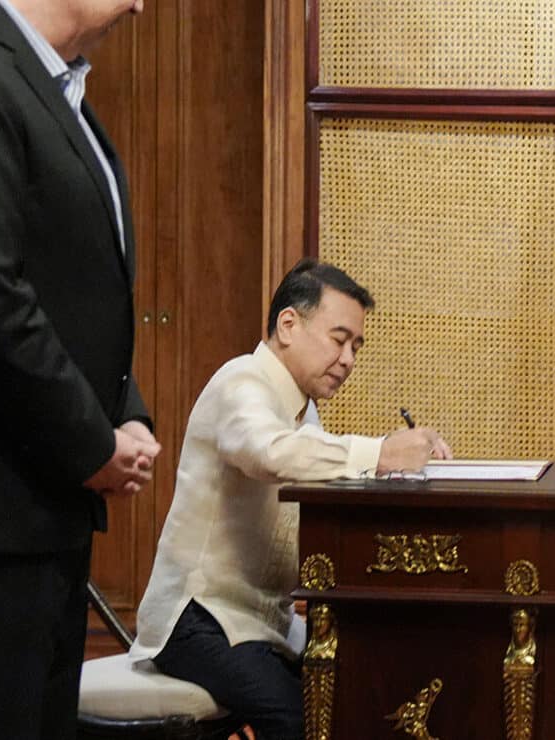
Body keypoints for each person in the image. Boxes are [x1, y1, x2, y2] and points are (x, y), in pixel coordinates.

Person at [130, 259, 452, 740]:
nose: (348, 360)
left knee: (354, 692)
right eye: (338, 339)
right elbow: (269, 453)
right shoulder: (241, 382)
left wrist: (396, 468)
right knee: (302, 720)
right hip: (200, 619)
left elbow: (313, 468)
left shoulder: (305, 413)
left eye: (356, 347)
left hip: (263, 623)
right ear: (288, 324)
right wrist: (381, 453)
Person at [0, 1, 159, 737]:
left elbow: (81, 290)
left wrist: (126, 410)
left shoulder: (62, 91)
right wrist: (92, 442)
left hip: (43, 516)